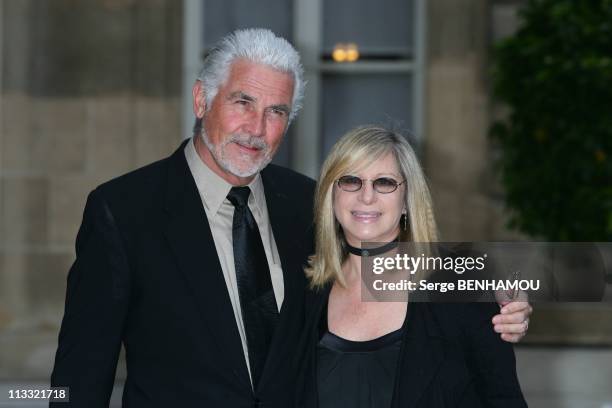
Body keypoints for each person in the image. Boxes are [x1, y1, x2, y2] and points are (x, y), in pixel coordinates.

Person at [50, 29, 530, 407]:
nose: (257, 128)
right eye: (243, 102)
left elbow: (388, 252)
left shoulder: (308, 202)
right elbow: (77, 377)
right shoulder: (123, 210)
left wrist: (491, 295)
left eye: (276, 111)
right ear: (202, 101)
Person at [296, 126, 527, 407]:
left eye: (384, 182)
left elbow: (503, 399)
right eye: (350, 180)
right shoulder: (305, 291)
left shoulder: (459, 282)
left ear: (406, 201)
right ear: (332, 196)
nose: (366, 196)